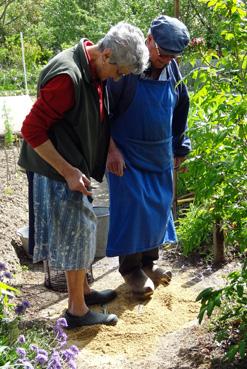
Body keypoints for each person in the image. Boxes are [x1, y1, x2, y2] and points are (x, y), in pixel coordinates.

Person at [18, 22, 149, 328]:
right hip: (57, 170)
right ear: (105, 55)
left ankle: (85, 292)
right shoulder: (68, 77)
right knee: (76, 237)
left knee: (82, 233)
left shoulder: (91, 66)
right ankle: (77, 311)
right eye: (119, 73)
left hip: (74, 166)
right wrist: (67, 172)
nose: (118, 78)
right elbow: (31, 130)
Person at [106, 15, 191, 298]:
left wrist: (180, 147)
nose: (166, 59)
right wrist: (111, 149)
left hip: (159, 154)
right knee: (133, 208)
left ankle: (148, 264)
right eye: (162, 53)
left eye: (172, 55)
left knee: (156, 208)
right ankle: (130, 270)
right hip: (126, 155)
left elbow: (181, 110)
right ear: (149, 40)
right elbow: (101, 112)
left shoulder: (172, 70)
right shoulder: (128, 69)